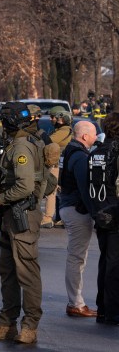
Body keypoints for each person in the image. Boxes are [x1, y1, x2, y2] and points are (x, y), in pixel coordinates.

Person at [0, 102, 46, 344]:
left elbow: (26, 185)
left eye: (3, 120)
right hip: (11, 215)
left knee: (26, 271)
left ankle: (29, 326)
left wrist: (0, 198)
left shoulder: (21, 146)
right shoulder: (19, 143)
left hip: (22, 215)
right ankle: (6, 323)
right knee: (8, 271)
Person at [58, 121, 97, 318]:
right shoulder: (81, 157)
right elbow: (86, 188)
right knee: (76, 258)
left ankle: (75, 301)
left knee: (76, 257)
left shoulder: (68, 151)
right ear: (84, 136)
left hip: (67, 206)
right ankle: (76, 303)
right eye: (94, 134)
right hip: (77, 210)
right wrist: (96, 213)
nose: (96, 137)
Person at [88, 112, 119, 325]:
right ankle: (112, 311)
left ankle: (102, 308)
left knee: (105, 261)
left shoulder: (96, 152)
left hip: (101, 214)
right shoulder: (116, 152)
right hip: (115, 213)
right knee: (114, 265)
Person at [42, 107, 73, 228]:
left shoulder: (64, 130)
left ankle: (48, 217)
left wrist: (39, 133)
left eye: (53, 117)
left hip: (57, 165)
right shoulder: (61, 129)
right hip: (58, 164)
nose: (51, 119)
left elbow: (49, 141)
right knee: (58, 190)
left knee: (51, 190)